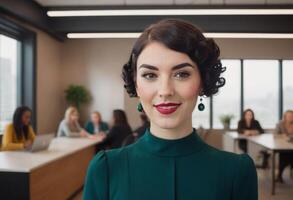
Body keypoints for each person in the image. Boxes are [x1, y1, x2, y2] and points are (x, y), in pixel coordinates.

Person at [84, 19, 257, 200]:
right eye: (150, 75)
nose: (165, 91)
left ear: (202, 82)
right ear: (136, 85)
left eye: (182, 74)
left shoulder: (237, 172)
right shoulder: (105, 169)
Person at [274, 110, 293, 183]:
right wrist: (283, 136)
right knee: (284, 156)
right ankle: (279, 175)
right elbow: (275, 135)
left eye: (292, 116)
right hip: (282, 146)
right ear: (285, 117)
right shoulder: (280, 124)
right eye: (289, 116)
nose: (291, 118)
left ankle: (279, 174)